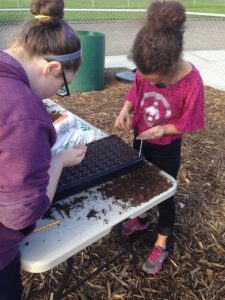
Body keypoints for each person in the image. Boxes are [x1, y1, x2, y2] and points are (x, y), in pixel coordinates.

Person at [0, 0, 87, 299]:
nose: (59, 94)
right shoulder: (23, 112)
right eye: (63, 86)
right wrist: (58, 161)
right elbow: (20, 215)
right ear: (52, 68)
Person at [115, 0, 204, 275]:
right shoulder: (147, 65)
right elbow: (136, 91)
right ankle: (141, 218)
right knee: (140, 179)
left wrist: (164, 129)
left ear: (170, 66)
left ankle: (162, 242)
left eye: (156, 81)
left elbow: (191, 121)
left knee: (164, 192)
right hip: (140, 137)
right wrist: (126, 109)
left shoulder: (192, 81)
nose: (148, 83)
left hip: (166, 147)